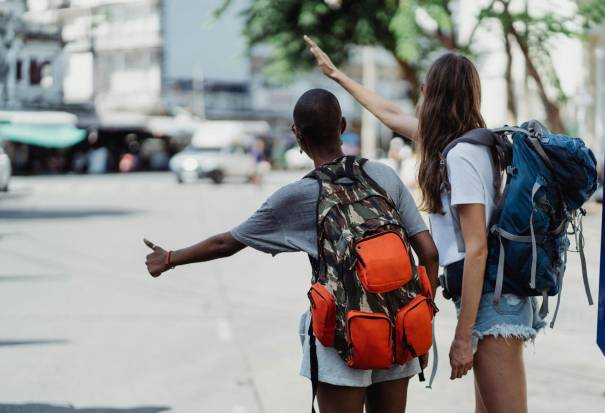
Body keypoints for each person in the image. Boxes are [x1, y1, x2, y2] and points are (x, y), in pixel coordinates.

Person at [144, 88, 439, 413]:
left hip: (344, 338)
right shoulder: (383, 175)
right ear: (342, 126)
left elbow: (226, 243)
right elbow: (428, 252)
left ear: (297, 135)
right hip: (400, 325)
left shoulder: (297, 196)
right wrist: (422, 326)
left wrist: (170, 258)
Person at [304, 35, 544, 413]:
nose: (419, 90)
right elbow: (387, 112)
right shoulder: (461, 144)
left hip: (492, 302)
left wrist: (462, 337)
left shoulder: (463, 156)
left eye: (425, 84)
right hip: (487, 298)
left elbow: (476, 247)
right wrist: (336, 75)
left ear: (433, 93)